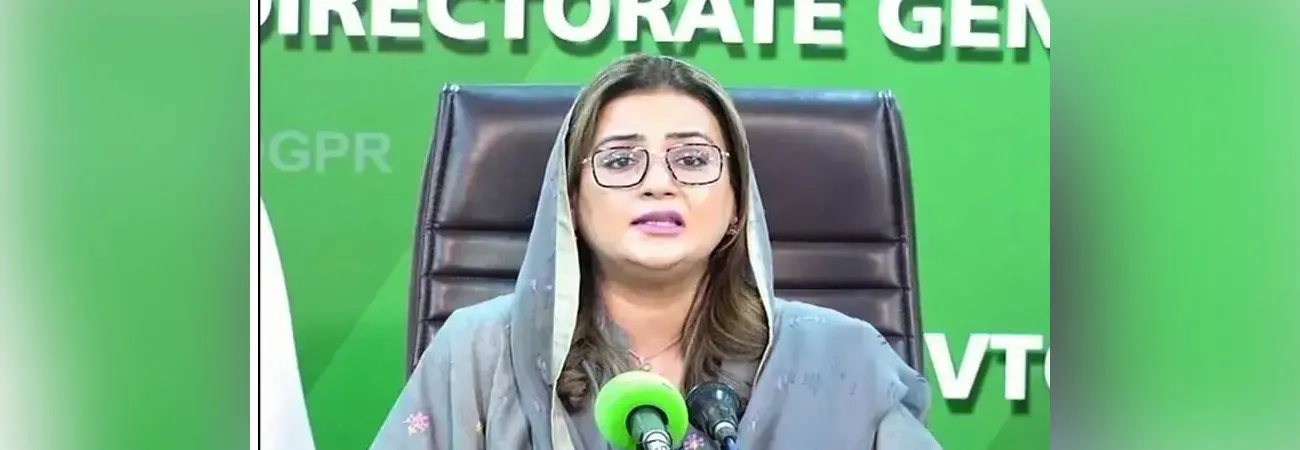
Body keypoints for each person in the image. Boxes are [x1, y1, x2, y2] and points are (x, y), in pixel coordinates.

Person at [368, 54, 942, 450]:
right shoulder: (480, 352)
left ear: (738, 206)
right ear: (571, 203)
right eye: (620, 161)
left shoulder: (844, 357)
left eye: (692, 160)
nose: (659, 183)